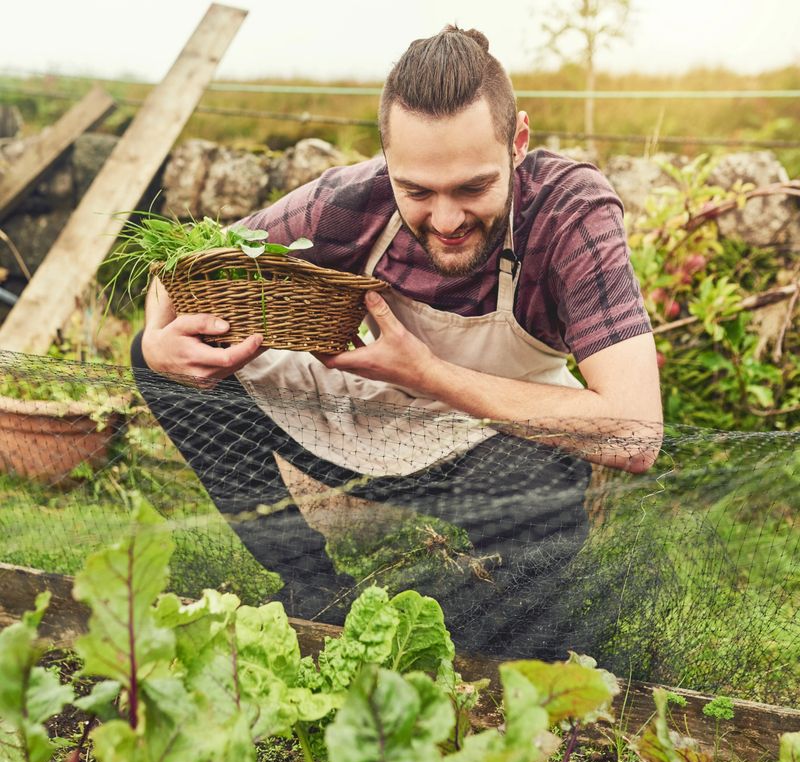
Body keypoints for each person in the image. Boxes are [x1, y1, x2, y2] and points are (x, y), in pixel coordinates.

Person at [131, 25, 662, 658]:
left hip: (497, 448)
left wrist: (427, 372)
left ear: (518, 141)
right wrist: (159, 343)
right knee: (149, 360)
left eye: (472, 187)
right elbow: (188, 263)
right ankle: (310, 587)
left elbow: (635, 433)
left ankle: (506, 632)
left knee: (535, 623)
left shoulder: (570, 210)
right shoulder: (348, 201)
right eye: (417, 191)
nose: (446, 219)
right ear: (387, 161)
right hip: (381, 425)